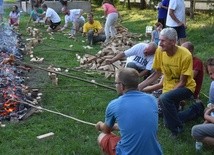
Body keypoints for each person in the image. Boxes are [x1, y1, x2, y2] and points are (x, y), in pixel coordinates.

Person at [138, 28, 196, 137]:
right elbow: (156, 74)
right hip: (168, 88)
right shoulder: (160, 51)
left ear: (173, 42)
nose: (160, 43)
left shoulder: (185, 55)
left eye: (163, 41)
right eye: (160, 40)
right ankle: (196, 110)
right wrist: (139, 86)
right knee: (168, 118)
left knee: (165, 101)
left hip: (186, 88)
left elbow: (183, 82)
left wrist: (166, 95)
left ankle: (176, 129)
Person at [95, 68, 163, 155]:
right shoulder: (152, 99)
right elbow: (138, 123)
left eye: (116, 83)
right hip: (155, 152)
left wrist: (100, 125)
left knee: (102, 136)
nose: (115, 85)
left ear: (122, 86)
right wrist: (115, 127)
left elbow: (106, 130)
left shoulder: (114, 105)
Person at [191, 57, 214, 151]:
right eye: (211, 73)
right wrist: (210, 108)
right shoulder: (213, 85)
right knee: (205, 109)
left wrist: (206, 116)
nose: (212, 76)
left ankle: (201, 137)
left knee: (195, 131)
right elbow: (211, 102)